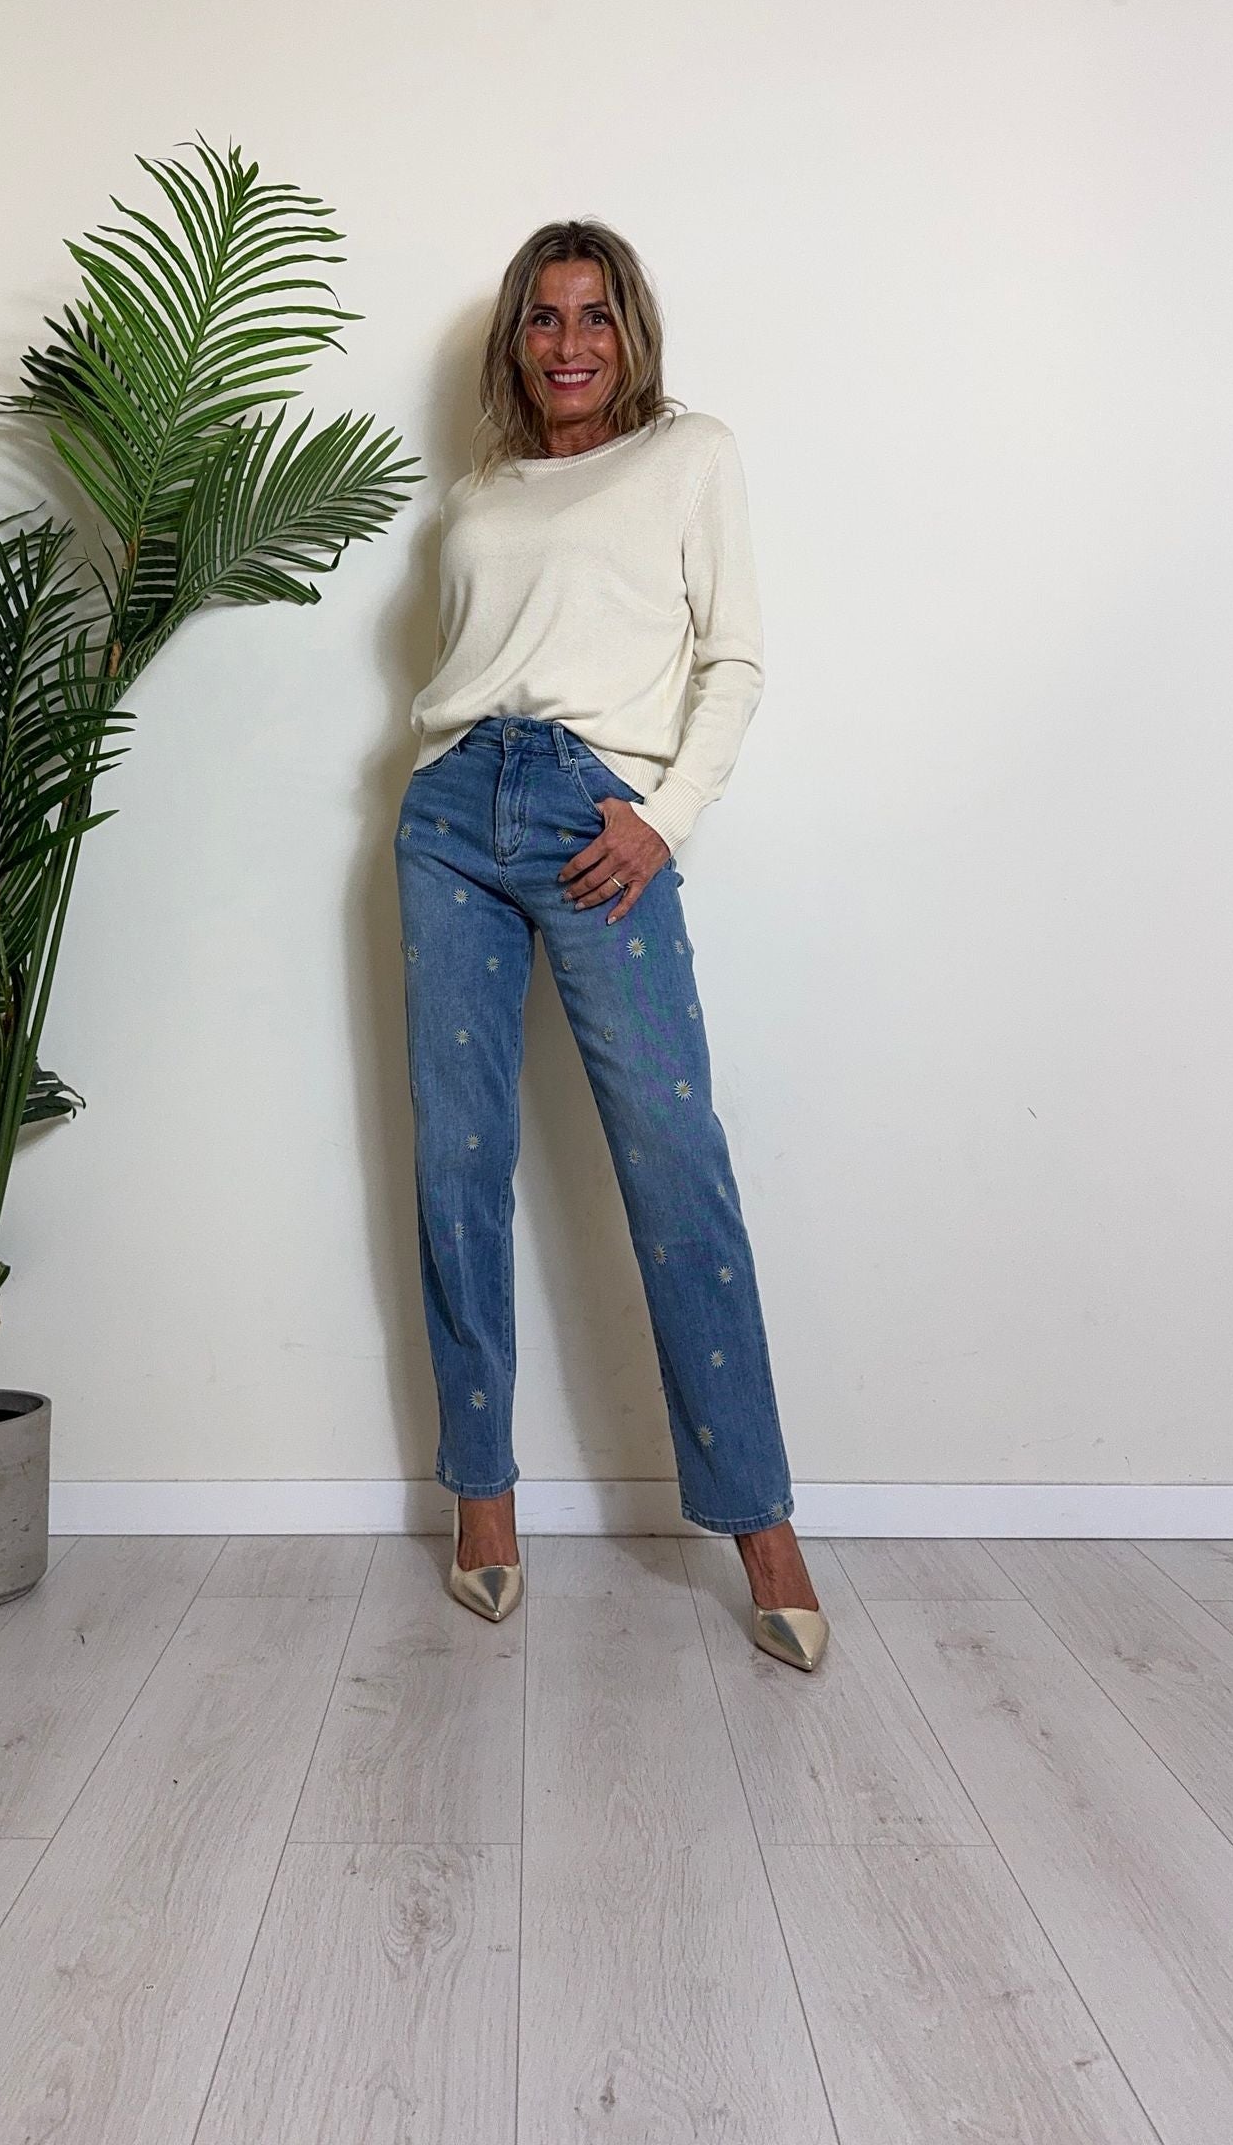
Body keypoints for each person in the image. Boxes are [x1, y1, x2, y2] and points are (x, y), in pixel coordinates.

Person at [393, 220, 828, 1672]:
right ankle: (484, 1496)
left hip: (598, 818)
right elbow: (467, 665)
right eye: (543, 316)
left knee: (674, 1159)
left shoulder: (691, 455)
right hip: (451, 815)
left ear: (631, 332)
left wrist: (665, 819)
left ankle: (760, 1523)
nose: (569, 342)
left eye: (595, 315)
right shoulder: (478, 494)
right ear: (514, 341)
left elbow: (734, 657)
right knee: (458, 1160)